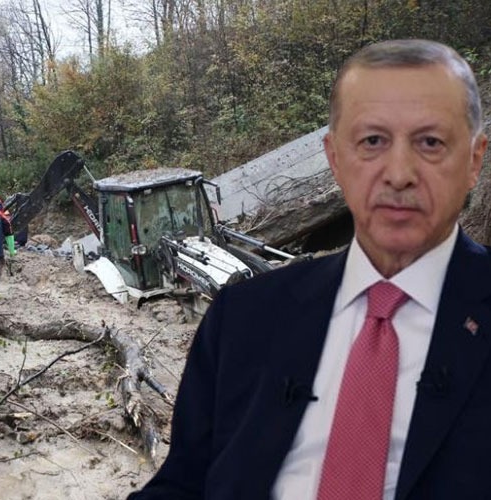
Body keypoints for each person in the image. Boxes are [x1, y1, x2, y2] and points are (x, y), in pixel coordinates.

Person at [129, 39, 491, 499]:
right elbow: (182, 483)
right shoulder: (243, 318)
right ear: (335, 158)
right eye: (373, 141)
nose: (399, 173)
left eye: (431, 143)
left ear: (474, 161)